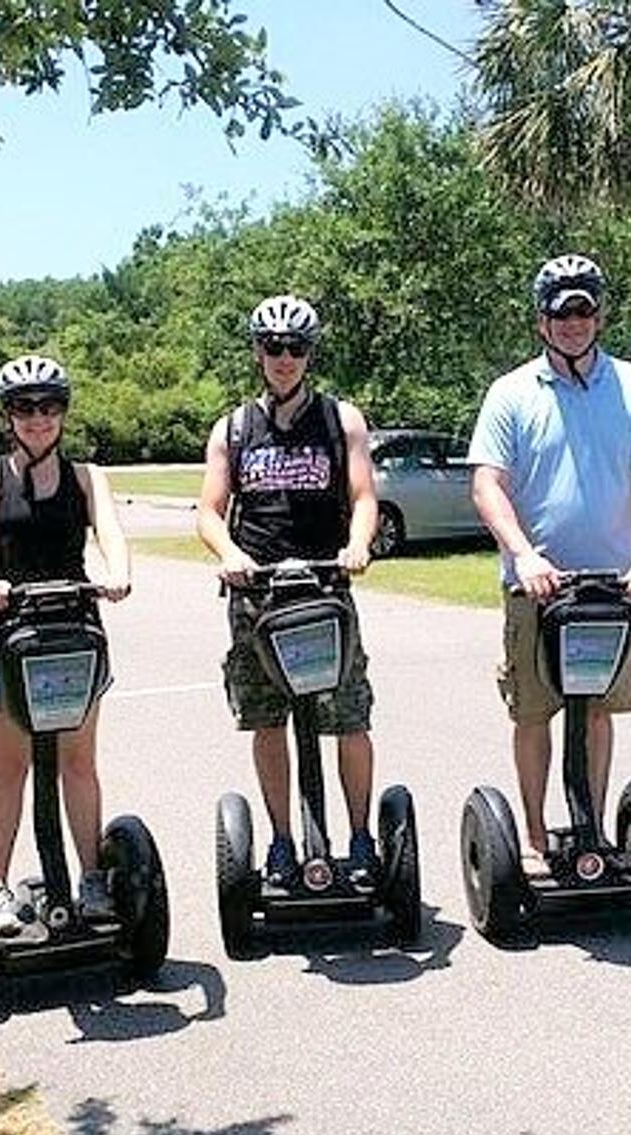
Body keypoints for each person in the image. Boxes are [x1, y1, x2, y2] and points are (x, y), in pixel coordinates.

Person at [467, 253, 631, 875]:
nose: (573, 323)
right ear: (542, 321)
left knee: (599, 713)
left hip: (612, 587)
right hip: (536, 588)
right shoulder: (511, 393)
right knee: (534, 712)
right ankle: (533, 839)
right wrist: (524, 553)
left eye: (583, 310)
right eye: (561, 312)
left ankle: (592, 828)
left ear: (600, 315)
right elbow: (488, 485)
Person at [195, 293, 380, 884]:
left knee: (349, 717)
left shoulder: (341, 419)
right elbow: (208, 510)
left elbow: (363, 497)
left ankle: (360, 838)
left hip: (325, 589)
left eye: (295, 348)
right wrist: (230, 553)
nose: (284, 358)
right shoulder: (233, 429)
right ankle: (279, 839)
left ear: (309, 354)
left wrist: (358, 545)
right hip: (259, 597)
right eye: (273, 347)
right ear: (258, 352)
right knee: (267, 719)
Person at [0, 354, 133, 943]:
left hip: (71, 634)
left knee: (77, 762)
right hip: (4, 634)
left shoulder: (86, 477)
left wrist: (118, 570)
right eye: (25, 408)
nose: (38, 418)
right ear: (8, 416)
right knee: (8, 767)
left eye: (49, 407)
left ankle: (90, 878)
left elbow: (109, 531)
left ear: (63, 413)